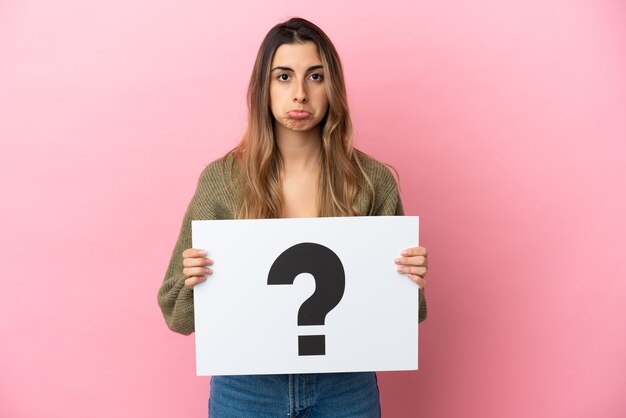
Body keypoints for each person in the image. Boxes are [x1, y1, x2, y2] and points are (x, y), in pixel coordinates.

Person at [158, 17, 428, 418]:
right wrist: (195, 281)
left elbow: (410, 315)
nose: (300, 93)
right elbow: (175, 313)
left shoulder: (371, 182)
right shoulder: (223, 181)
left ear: (332, 86)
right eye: (283, 77)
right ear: (262, 88)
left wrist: (409, 279)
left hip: (345, 384)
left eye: (315, 76)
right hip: (246, 386)